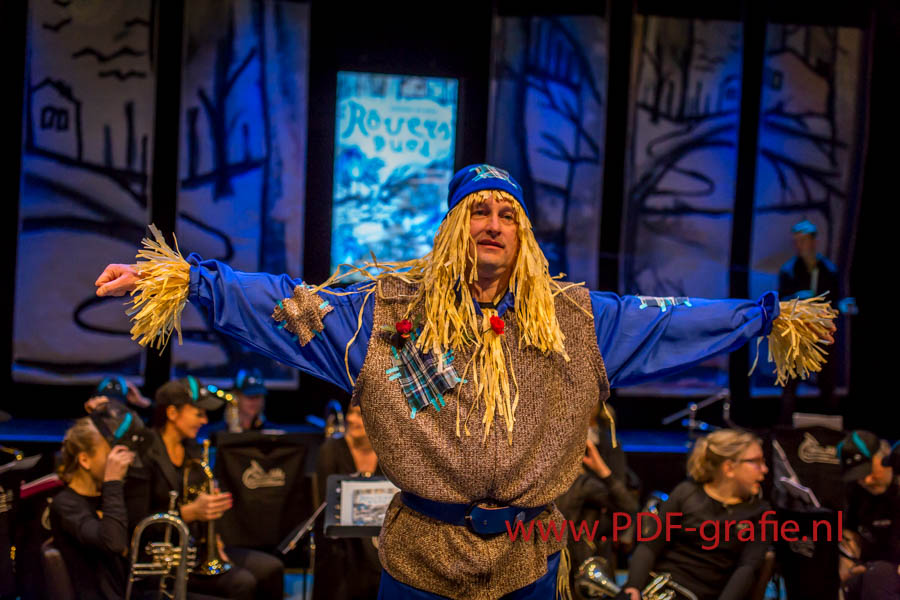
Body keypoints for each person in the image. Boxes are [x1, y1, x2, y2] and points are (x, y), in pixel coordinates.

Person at [95, 164, 834, 599]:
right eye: (477, 211)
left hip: (527, 564)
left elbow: (671, 320)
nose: (492, 223)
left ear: (523, 234)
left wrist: (766, 317)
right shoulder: (385, 315)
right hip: (420, 560)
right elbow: (282, 302)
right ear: (453, 227)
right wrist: (186, 278)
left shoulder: (577, 321)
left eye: (507, 213)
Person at [124, 377, 284, 600]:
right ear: (172, 413)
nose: (204, 420)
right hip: (159, 559)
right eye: (198, 414)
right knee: (242, 583)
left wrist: (215, 540)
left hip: (194, 550)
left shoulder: (192, 449)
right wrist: (189, 513)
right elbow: (135, 523)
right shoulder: (144, 453)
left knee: (273, 568)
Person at [622, 429, 771, 600]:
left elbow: (747, 569)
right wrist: (633, 587)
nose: (765, 469)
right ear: (729, 468)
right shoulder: (686, 493)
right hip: (662, 586)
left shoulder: (760, 513)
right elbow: (650, 546)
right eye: (756, 462)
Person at [49, 416, 135, 600]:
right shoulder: (65, 504)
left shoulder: (106, 497)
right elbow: (114, 543)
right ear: (85, 460)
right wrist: (113, 481)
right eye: (108, 453)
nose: (117, 461)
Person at [556, 405, 638, 593]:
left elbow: (628, 505)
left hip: (587, 552)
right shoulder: (567, 482)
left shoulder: (587, 481)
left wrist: (602, 470)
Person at [777, 220, 845, 423]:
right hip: (797, 334)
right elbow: (780, 303)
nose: (799, 245)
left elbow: (836, 300)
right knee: (790, 382)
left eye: (803, 240)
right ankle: (785, 428)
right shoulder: (789, 270)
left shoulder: (829, 270)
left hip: (821, 332)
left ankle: (828, 427)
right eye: (796, 241)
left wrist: (838, 306)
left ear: (814, 242)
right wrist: (798, 298)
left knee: (827, 382)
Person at [313, 404, 383, 600]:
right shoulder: (331, 449)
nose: (351, 419)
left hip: (380, 532)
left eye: (359, 414)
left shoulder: (387, 450)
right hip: (341, 537)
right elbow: (326, 504)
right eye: (350, 413)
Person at [838, 430, 900, 600]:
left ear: (885, 458)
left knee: (877, 577)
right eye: (858, 476)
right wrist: (850, 565)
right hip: (873, 566)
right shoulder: (856, 494)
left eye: (869, 471)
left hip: (888, 571)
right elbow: (850, 534)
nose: (866, 481)